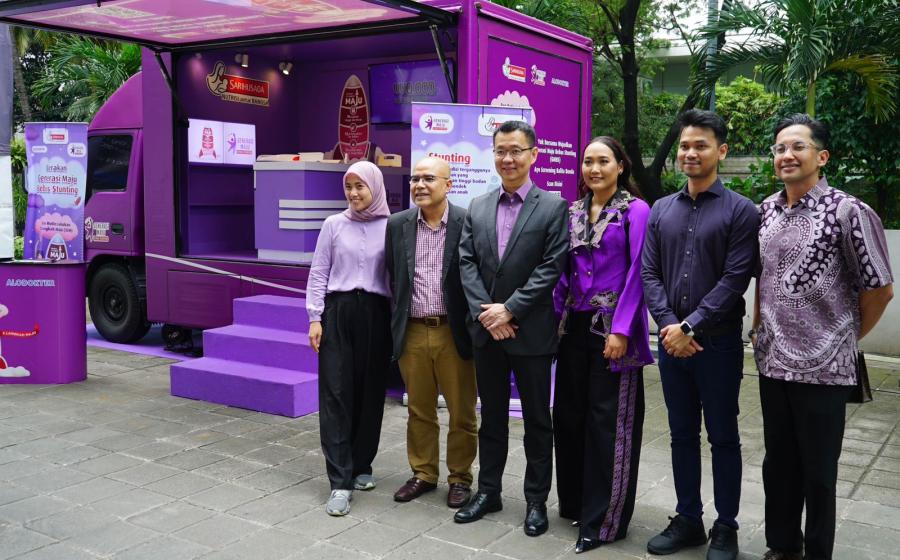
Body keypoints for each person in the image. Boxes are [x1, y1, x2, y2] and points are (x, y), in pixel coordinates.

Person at [752, 114, 893, 560]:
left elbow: (881, 289)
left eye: (797, 147)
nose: (786, 155)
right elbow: (763, 279)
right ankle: (782, 547)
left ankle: (816, 553)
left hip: (826, 370)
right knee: (779, 466)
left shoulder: (849, 211)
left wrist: (844, 338)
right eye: (779, 149)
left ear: (822, 156)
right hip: (773, 362)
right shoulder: (765, 211)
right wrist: (758, 330)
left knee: (818, 472)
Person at [640, 109, 759, 560]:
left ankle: (725, 526)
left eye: (701, 145)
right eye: (685, 146)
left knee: (723, 436)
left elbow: (735, 280)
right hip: (672, 343)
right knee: (680, 434)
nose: (690, 152)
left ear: (721, 151)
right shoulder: (661, 209)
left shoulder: (741, 211)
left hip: (719, 344)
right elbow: (650, 273)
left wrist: (690, 326)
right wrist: (671, 326)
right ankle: (688, 518)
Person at [455, 120, 568, 537]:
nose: (508, 158)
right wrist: (488, 314)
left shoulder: (553, 207)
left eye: (516, 150)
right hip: (489, 334)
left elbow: (550, 267)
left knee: (538, 421)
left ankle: (536, 501)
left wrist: (511, 311)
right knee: (493, 419)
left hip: (531, 334)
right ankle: (489, 492)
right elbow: (466, 262)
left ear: (533, 154)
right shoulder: (478, 205)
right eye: (501, 150)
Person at [553, 136, 653, 554]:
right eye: (588, 162)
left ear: (621, 166)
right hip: (574, 329)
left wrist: (623, 329)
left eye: (603, 161)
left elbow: (640, 272)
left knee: (607, 425)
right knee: (570, 417)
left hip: (613, 332)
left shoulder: (635, 211)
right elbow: (562, 272)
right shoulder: (573, 211)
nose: (594, 169)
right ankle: (577, 504)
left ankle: (604, 521)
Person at [384, 157, 478, 508]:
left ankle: (459, 478)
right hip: (412, 332)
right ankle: (423, 473)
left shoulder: (468, 221)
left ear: (448, 184)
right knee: (419, 409)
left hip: (453, 333)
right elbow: (395, 275)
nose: (420, 185)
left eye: (429, 179)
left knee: (462, 412)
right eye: (415, 179)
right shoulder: (398, 224)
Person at [306, 161, 392, 517]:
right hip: (338, 312)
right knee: (336, 392)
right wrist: (315, 317)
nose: (354, 193)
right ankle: (339, 481)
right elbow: (319, 271)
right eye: (349, 187)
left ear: (375, 187)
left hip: (377, 313)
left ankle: (361, 465)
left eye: (361, 186)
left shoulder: (394, 226)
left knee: (370, 392)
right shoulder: (333, 225)